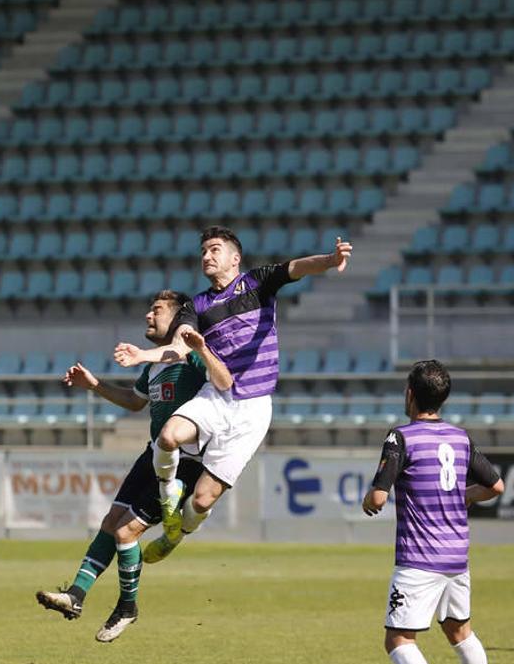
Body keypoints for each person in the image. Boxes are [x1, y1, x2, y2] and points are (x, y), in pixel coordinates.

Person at [114, 226, 352, 561]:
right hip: (217, 394)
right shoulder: (196, 306)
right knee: (169, 437)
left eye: (214, 250)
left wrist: (330, 260)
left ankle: (178, 534)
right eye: (203, 252)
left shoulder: (257, 282)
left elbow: (296, 267)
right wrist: (143, 354)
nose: (206, 257)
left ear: (234, 258)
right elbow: (179, 347)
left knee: (200, 501)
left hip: (253, 409)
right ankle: (169, 501)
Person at [36, 290, 232, 642]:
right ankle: (75, 596)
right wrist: (93, 384)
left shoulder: (191, 358)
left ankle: (127, 607)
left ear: (177, 319)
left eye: (156, 310)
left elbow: (224, 381)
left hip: (186, 462)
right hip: (153, 454)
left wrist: (201, 349)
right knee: (111, 522)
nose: (147, 316)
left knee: (127, 532)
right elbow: (133, 401)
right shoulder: (155, 365)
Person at [362, 359, 505, 664]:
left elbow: (377, 496)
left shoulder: (401, 437)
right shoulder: (460, 437)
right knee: (460, 630)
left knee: (398, 639)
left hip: (419, 558)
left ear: (410, 394)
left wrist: (369, 500)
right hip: (456, 555)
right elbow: (496, 486)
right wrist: (462, 497)